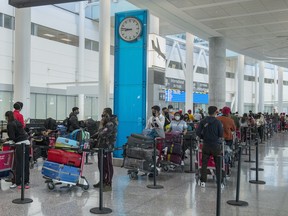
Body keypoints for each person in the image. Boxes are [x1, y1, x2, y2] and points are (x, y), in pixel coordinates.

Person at [196, 106, 223, 188]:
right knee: (218, 164)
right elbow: (220, 134)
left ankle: (203, 181)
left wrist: (203, 137)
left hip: (206, 145)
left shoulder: (203, 121)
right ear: (215, 112)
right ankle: (219, 182)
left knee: (204, 164)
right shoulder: (218, 122)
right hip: (215, 145)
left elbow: (198, 132)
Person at [92, 108, 118, 192]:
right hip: (102, 147)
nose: (102, 116)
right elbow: (99, 134)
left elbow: (103, 134)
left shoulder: (111, 124)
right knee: (101, 165)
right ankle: (102, 181)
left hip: (107, 147)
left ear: (108, 114)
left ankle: (108, 183)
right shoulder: (107, 123)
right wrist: (91, 137)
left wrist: (101, 125)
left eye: (104, 114)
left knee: (107, 166)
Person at [5, 111, 30, 189]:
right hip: (27, 143)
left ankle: (18, 183)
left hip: (20, 144)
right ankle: (26, 182)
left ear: (7, 117)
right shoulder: (17, 122)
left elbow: (12, 137)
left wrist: (6, 139)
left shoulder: (10, 124)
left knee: (18, 164)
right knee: (25, 164)